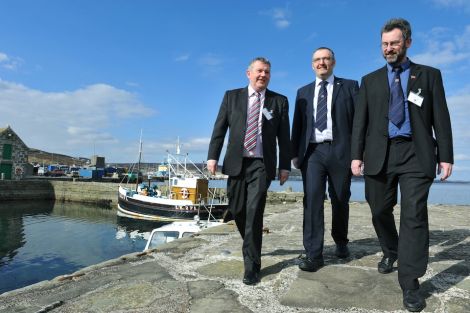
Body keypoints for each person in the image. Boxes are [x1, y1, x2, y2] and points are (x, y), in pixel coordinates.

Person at [351, 18, 453, 312]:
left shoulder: (429, 75)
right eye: (384, 44)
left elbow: (441, 117)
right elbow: (361, 122)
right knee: (379, 207)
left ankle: (410, 283)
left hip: (416, 153)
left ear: (407, 42)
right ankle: (391, 249)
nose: (388, 48)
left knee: (414, 215)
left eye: (394, 43)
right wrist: (356, 156)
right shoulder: (369, 81)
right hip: (379, 154)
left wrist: (446, 155)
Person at [207, 57, 291, 285]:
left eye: (267, 72)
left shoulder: (279, 101)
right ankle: (251, 243)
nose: (263, 75)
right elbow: (219, 128)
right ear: (248, 73)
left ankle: (252, 266)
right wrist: (212, 156)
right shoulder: (231, 97)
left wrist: (285, 166)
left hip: (261, 164)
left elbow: (285, 137)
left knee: (254, 211)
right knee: (237, 208)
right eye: (259, 71)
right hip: (236, 162)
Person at [291, 47, 359, 272]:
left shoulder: (349, 86)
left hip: (341, 151)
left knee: (340, 198)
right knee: (312, 201)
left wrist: (359, 154)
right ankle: (314, 254)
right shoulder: (302, 92)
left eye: (326, 59)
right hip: (312, 153)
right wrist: (294, 153)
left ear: (334, 62)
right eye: (317, 60)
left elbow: (359, 123)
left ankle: (341, 241)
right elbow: (297, 126)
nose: (322, 63)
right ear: (312, 65)